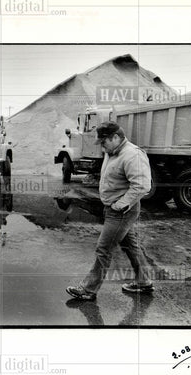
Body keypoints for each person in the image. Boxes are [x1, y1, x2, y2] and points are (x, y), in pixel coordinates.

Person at [66, 121, 154, 301]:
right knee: (130, 246)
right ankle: (144, 282)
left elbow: (142, 186)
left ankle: (88, 290)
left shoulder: (132, 155)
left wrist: (121, 205)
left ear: (115, 137)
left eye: (104, 142)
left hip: (122, 211)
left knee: (103, 249)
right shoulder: (112, 151)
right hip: (113, 208)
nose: (102, 146)